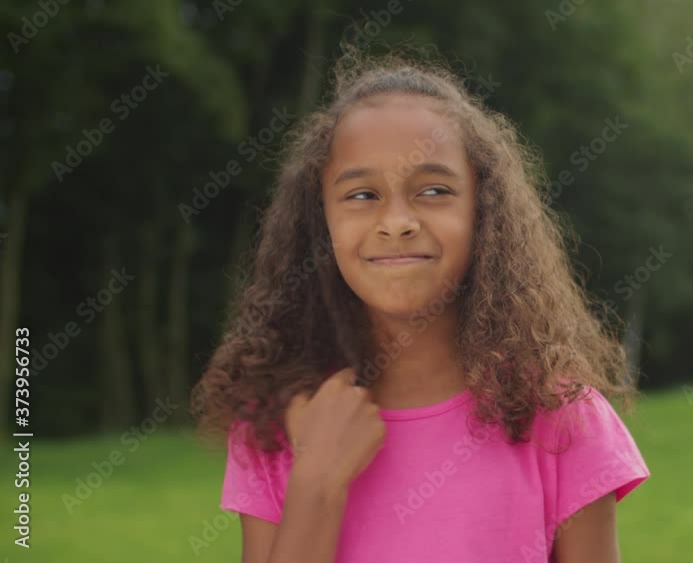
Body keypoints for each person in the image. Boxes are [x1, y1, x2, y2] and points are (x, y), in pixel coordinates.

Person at [190, 48, 650, 563]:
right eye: (362, 195)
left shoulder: (563, 418)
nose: (396, 221)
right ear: (320, 224)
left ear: (484, 213)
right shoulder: (276, 424)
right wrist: (316, 482)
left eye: (433, 190)